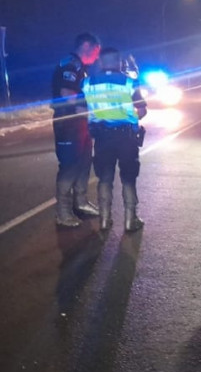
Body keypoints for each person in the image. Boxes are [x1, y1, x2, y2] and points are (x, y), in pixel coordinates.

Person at [81, 48, 147, 231]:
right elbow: (142, 111)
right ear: (119, 62)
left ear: (100, 62)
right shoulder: (129, 82)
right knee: (128, 178)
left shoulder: (88, 83)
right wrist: (130, 118)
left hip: (102, 137)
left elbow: (80, 109)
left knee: (105, 178)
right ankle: (130, 220)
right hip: (126, 138)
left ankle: (104, 219)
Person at [51, 32, 101, 227]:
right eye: (96, 51)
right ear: (87, 46)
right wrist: (88, 110)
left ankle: (80, 203)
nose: (97, 56)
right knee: (70, 166)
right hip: (68, 122)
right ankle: (63, 212)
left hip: (80, 123)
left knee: (84, 162)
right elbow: (66, 93)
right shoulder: (70, 65)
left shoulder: (82, 68)